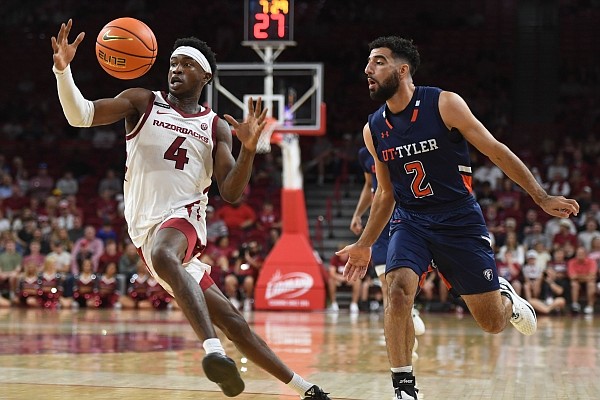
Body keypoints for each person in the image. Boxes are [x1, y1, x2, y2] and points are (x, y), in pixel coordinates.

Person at [51, 19, 330, 400]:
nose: (175, 70)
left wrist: (248, 150)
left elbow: (231, 191)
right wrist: (63, 71)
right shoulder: (142, 101)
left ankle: (213, 354)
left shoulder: (215, 126)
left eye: (185, 64)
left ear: (205, 75)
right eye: (172, 64)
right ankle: (309, 390)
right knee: (235, 322)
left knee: (166, 253)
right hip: (144, 227)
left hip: (184, 219)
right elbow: (80, 115)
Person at [338, 36, 580, 400]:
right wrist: (365, 244)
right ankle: (404, 388)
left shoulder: (444, 103)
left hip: (459, 221)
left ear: (403, 70)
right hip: (412, 220)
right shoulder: (373, 129)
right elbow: (385, 193)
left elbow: (495, 150)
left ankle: (508, 301)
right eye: (369, 62)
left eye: (378, 62)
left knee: (492, 323)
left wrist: (540, 196)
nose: (368, 69)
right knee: (398, 290)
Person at [350, 146, 426, 332]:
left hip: (404, 214)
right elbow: (369, 185)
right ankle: (395, 330)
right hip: (379, 220)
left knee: (402, 279)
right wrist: (358, 214)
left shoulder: (399, 145)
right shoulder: (363, 154)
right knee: (386, 284)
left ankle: (407, 313)